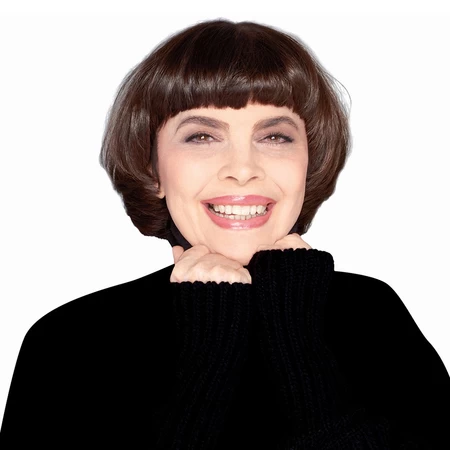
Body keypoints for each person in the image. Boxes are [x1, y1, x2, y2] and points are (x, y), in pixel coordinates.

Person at [1, 18, 449, 449]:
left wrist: (298, 347)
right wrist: (208, 363)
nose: (242, 169)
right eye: (201, 136)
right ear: (152, 169)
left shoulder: (374, 316)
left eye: (275, 137)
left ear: (308, 165)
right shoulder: (70, 342)